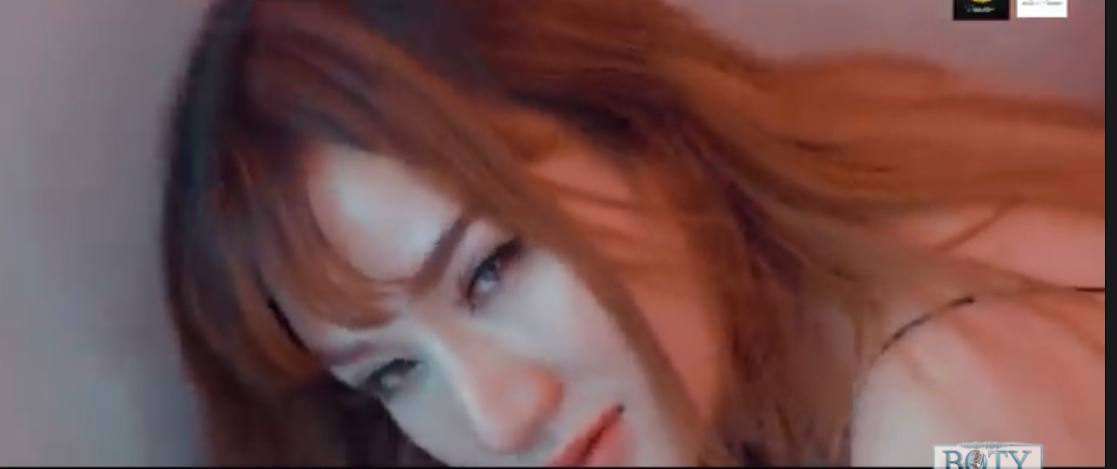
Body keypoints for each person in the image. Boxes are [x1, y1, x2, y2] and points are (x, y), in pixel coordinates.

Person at [161, 0, 1104, 466]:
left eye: (491, 269)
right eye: (392, 372)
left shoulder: (956, 422)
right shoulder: (831, 168)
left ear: (650, 135)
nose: (497, 418)